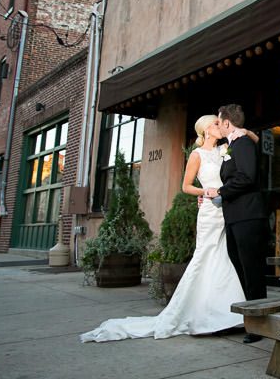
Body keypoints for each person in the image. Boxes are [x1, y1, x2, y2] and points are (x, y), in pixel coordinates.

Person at [80, 115, 245, 342]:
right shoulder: (197, 155)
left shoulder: (225, 149)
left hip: (227, 209)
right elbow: (186, 186)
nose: (221, 126)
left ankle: (225, 314)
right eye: (216, 124)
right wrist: (205, 192)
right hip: (209, 212)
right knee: (205, 256)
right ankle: (197, 312)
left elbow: (245, 149)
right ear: (206, 129)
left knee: (223, 257)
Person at [204, 104, 268, 343]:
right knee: (241, 268)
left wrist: (222, 191)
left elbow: (247, 176)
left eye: (219, 122)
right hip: (235, 216)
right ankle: (253, 318)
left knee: (252, 272)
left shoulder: (243, 144)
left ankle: (259, 326)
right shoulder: (233, 145)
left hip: (248, 216)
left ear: (227, 122)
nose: (218, 126)